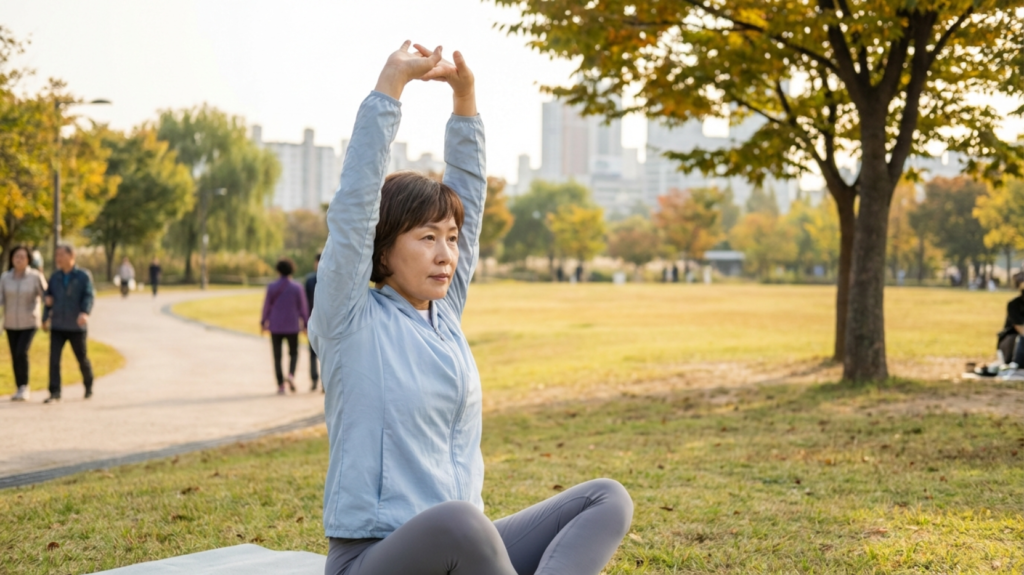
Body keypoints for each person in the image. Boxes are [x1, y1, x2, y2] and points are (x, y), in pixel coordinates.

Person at [309, 42, 632, 575]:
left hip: (465, 550)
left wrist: (466, 97)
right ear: (383, 246)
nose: (445, 254)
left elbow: (471, 194)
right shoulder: (349, 318)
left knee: (606, 499)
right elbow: (354, 205)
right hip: (373, 556)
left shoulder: (445, 312)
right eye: (427, 237)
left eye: (452, 239)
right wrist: (390, 86)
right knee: (460, 521)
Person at [42, 244, 95, 403]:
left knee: (81, 357)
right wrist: (45, 317)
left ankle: (88, 385)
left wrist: (85, 312)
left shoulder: (83, 276)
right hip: (57, 324)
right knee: (54, 359)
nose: (58, 258)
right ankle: (54, 392)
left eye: (61, 255)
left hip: (76, 325)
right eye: (56, 255)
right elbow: (48, 299)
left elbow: (89, 295)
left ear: (72, 256)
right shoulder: (55, 277)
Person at [1, 245, 48, 402]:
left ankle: (25, 387)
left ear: (28, 259)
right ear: (12, 259)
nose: (19, 259)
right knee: (15, 355)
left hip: (30, 321)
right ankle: (19, 387)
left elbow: (46, 296)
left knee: (22, 352)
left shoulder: (35, 276)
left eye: (22, 257)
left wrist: (48, 315)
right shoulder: (5, 277)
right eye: (16, 257)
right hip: (10, 322)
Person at [261, 257, 309, 395]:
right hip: (292, 326)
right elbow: (303, 308)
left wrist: (263, 322)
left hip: (275, 326)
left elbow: (266, 306)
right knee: (293, 353)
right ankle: (291, 375)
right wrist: (305, 324)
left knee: (277, 356)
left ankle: (281, 385)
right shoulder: (297, 287)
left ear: (278, 270)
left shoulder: (272, 287)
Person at [304, 253, 321, 392]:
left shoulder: (310, 280)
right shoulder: (330, 279)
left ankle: (315, 380)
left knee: (313, 353)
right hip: (324, 321)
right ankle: (323, 383)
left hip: (313, 320)